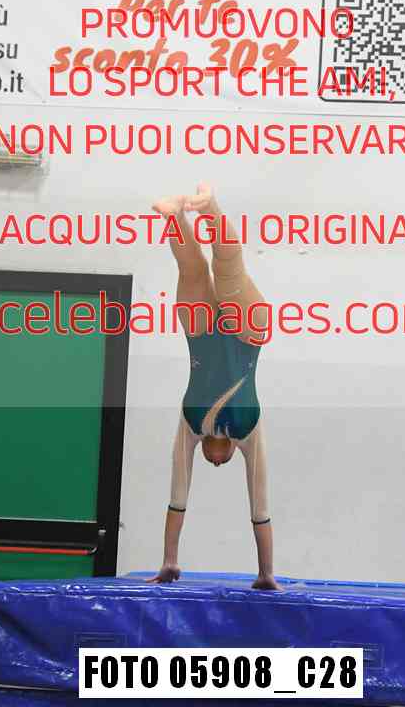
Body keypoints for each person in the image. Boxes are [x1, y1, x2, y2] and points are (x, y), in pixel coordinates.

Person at [148, 183, 280, 590]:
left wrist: (170, 561)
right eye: (223, 463)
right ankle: (206, 209)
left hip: (203, 333)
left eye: (210, 463)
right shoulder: (247, 433)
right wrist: (266, 573)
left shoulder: (193, 428)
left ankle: (176, 214)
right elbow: (260, 511)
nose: (217, 463)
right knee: (228, 270)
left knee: (194, 270)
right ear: (233, 454)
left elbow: (178, 501)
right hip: (247, 333)